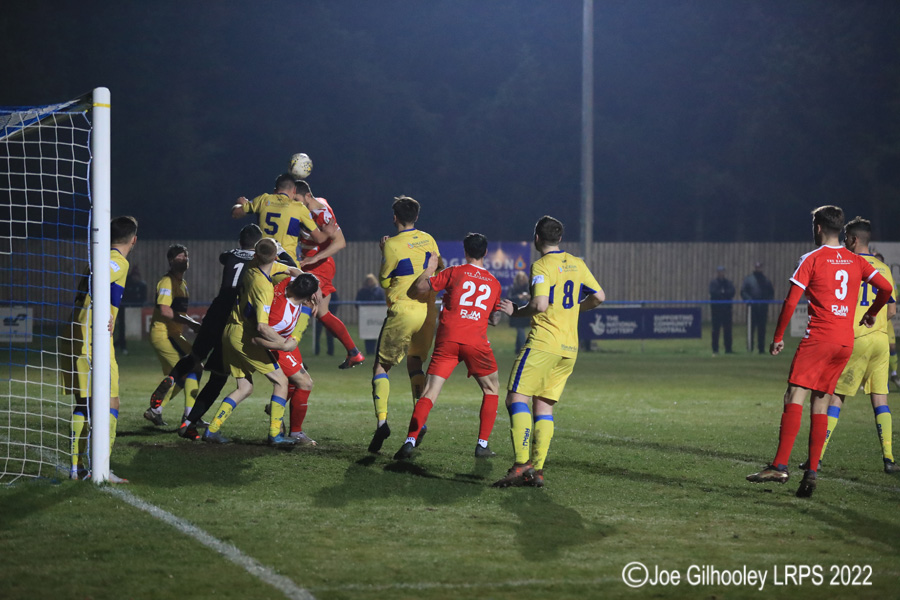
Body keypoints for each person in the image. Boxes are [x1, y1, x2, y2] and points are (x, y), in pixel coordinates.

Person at [747, 206, 893, 498]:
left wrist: (778, 337)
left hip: (820, 337)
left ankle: (779, 465)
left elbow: (791, 302)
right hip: (844, 342)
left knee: (794, 395)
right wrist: (872, 313)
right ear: (839, 229)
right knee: (821, 402)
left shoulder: (811, 259)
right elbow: (886, 289)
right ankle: (811, 472)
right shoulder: (855, 261)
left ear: (817, 227)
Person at [493, 216, 605, 488]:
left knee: (515, 399)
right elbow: (599, 296)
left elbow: (540, 304)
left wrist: (516, 311)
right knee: (543, 406)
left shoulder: (541, 266)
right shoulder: (578, 264)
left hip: (544, 342)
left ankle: (521, 466)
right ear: (560, 239)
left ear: (536, 239)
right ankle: (537, 470)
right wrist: (575, 309)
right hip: (569, 348)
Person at [393, 233, 504, 461]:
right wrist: (504, 310)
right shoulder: (494, 283)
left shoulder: (454, 272)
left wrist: (430, 268)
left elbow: (417, 290)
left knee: (430, 391)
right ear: (485, 253)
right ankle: (482, 445)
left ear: (465, 252)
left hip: (448, 339)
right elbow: (493, 320)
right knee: (491, 389)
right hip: (476, 342)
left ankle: (410, 441)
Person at [148, 224, 262, 439]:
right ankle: (190, 421)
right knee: (218, 376)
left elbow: (223, 256)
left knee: (195, 358)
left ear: (240, 242)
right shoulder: (259, 261)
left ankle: (173, 380)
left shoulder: (229, 256)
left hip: (214, 312)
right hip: (232, 319)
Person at [806, 218, 897, 473]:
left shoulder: (848, 265)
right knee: (881, 400)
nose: (844, 242)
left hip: (855, 339)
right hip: (880, 339)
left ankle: (818, 457)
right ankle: (889, 459)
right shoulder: (884, 268)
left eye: (847, 238)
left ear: (854, 240)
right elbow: (891, 310)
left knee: (835, 398)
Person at [203, 238, 301, 446]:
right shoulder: (263, 288)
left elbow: (293, 271)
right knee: (281, 382)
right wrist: (284, 344)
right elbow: (262, 327)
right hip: (243, 336)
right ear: (275, 256)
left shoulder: (252, 267)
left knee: (245, 387)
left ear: (255, 255)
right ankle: (275, 435)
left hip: (229, 331)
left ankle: (211, 431)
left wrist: (309, 285)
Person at [63, 215, 138, 483]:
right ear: (134, 239)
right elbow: (100, 279)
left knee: (84, 401)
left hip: (75, 332)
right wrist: (102, 313)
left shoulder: (94, 258)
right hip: (93, 338)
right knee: (110, 402)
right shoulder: (118, 260)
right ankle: (102, 468)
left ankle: (76, 468)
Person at [367, 196, 441, 453]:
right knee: (414, 363)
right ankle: (418, 423)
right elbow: (438, 269)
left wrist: (383, 251)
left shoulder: (392, 245)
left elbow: (385, 282)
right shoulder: (429, 239)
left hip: (403, 311)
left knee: (381, 366)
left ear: (395, 218)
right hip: (428, 313)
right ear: (416, 217)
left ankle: (382, 422)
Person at [294, 180, 365, 369]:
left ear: (307, 196)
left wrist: (313, 258)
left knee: (300, 308)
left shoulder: (321, 214)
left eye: (297, 199)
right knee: (323, 314)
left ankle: (293, 358)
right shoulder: (317, 203)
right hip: (312, 263)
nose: (295, 202)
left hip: (317, 266)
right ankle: (354, 353)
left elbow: (340, 242)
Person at [143, 245, 202, 427]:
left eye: (185, 256)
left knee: (195, 367)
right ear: (170, 261)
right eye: (179, 256)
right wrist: (191, 323)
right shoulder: (167, 282)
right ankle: (186, 416)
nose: (184, 258)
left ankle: (161, 411)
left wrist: (191, 323)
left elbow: (177, 312)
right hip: (163, 334)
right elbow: (166, 311)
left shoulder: (182, 284)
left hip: (174, 334)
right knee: (187, 370)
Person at [231, 173, 327, 267]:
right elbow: (319, 238)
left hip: (264, 264)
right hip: (287, 265)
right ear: (294, 190)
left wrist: (240, 203)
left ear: (275, 190)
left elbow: (235, 213)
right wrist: (328, 232)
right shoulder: (299, 208)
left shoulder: (263, 200)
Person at [877, 252, 900, 391]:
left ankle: (894, 374)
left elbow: (894, 300)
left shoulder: (888, 279)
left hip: (886, 318)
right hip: (872, 318)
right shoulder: (867, 278)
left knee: (891, 347)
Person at [740, 261, 775, 354]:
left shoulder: (766, 280)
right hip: (752, 308)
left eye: (759, 267)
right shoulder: (749, 279)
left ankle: (761, 348)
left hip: (762, 308)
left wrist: (767, 300)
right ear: (754, 267)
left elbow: (771, 293)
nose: (758, 269)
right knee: (750, 329)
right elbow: (743, 291)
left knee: (762, 329)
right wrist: (748, 300)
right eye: (757, 267)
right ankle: (750, 348)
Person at [114, 266, 147, 355]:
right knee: (121, 327)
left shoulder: (141, 285)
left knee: (126, 328)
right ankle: (121, 345)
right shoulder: (126, 283)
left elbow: (143, 298)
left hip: (134, 309)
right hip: (122, 307)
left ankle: (119, 343)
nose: (135, 278)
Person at [356, 273, 385, 355]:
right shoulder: (362, 291)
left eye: (371, 281)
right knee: (367, 333)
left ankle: (377, 351)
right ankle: (369, 351)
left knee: (377, 333)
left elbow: (382, 301)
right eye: (368, 281)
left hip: (376, 315)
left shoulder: (379, 291)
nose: (370, 282)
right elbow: (358, 302)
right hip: (366, 316)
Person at [709, 266, 735, 354]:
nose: (721, 273)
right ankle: (715, 349)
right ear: (717, 273)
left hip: (727, 310)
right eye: (719, 272)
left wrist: (722, 293)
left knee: (728, 330)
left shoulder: (728, 283)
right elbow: (713, 292)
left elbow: (732, 292)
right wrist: (723, 294)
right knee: (715, 330)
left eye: (722, 271)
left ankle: (728, 349)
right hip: (716, 310)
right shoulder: (713, 283)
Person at [506, 270, 531, 355]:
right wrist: (518, 297)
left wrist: (527, 297)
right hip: (516, 312)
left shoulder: (528, 287)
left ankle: (517, 349)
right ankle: (524, 349)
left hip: (524, 312)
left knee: (520, 330)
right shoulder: (513, 287)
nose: (521, 281)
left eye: (523, 279)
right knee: (520, 330)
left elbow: (533, 297)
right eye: (520, 279)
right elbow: (509, 298)